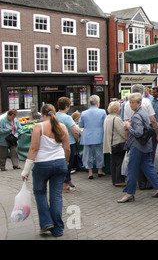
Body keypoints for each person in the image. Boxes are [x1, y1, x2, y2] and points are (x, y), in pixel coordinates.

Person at [21, 104, 70, 237]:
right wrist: (65, 162)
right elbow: (67, 148)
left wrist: (25, 170)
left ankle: (46, 222)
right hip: (60, 163)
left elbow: (33, 149)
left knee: (39, 192)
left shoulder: (39, 127)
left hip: (42, 164)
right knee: (56, 196)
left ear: (42, 115)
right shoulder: (63, 127)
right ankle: (58, 228)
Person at [118, 93, 158, 203]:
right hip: (146, 145)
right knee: (148, 167)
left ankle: (129, 193)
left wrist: (129, 127)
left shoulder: (136, 116)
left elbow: (138, 133)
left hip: (137, 146)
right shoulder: (143, 113)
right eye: (130, 102)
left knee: (132, 169)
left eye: (133, 102)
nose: (131, 104)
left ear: (139, 103)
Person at [79, 95, 107, 179]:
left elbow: (81, 124)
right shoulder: (102, 112)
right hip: (99, 135)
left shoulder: (84, 113)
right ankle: (99, 170)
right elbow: (105, 123)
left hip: (87, 136)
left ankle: (90, 172)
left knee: (87, 154)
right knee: (99, 153)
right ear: (98, 103)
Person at [56, 97, 81, 192]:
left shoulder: (55, 116)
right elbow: (75, 131)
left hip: (58, 144)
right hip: (69, 143)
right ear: (67, 106)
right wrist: (77, 139)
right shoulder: (67, 118)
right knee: (68, 163)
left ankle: (69, 181)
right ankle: (65, 185)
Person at [103, 101, 127, 187]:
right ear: (117, 109)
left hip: (110, 144)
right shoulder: (116, 119)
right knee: (119, 163)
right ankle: (119, 180)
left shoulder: (107, 118)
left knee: (113, 163)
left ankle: (114, 180)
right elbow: (122, 132)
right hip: (118, 143)